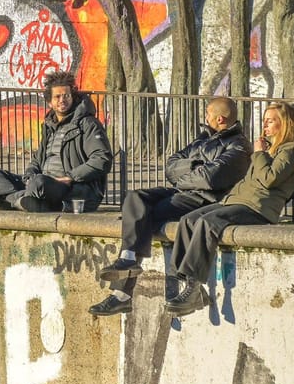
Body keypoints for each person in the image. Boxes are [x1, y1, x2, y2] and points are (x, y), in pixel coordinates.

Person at [88, 97, 252, 316]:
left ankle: (122, 296)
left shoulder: (238, 145)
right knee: (136, 198)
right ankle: (127, 259)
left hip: (204, 199)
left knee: (143, 217)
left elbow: (211, 179)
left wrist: (183, 177)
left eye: (208, 114)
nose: (205, 118)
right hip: (184, 191)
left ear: (219, 119)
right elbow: (171, 165)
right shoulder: (204, 139)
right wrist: (194, 167)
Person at [163, 102, 294, 317]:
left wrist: (259, 154)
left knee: (208, 224)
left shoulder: (292, 149)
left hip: (257, 208)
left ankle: (193, 288)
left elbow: (269, 179)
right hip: (237, 201)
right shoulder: (270, 148)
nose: (264, 124)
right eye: (264, 120)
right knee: (189, 220)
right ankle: (182, 281)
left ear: (284, 124)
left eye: (270, 120)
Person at [0, 72, 111, 212]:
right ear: (50, 102)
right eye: (57, 97)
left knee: (39, 183)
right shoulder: (49, 125)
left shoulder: (87, 123)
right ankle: (27, 200)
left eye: (66, 96)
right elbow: (38, 159)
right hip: (42, 182)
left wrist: (70, 177)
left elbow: (102, 159)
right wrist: (29, 175)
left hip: (72, 187)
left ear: (72, 97)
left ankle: (9, 199)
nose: (62, 100)